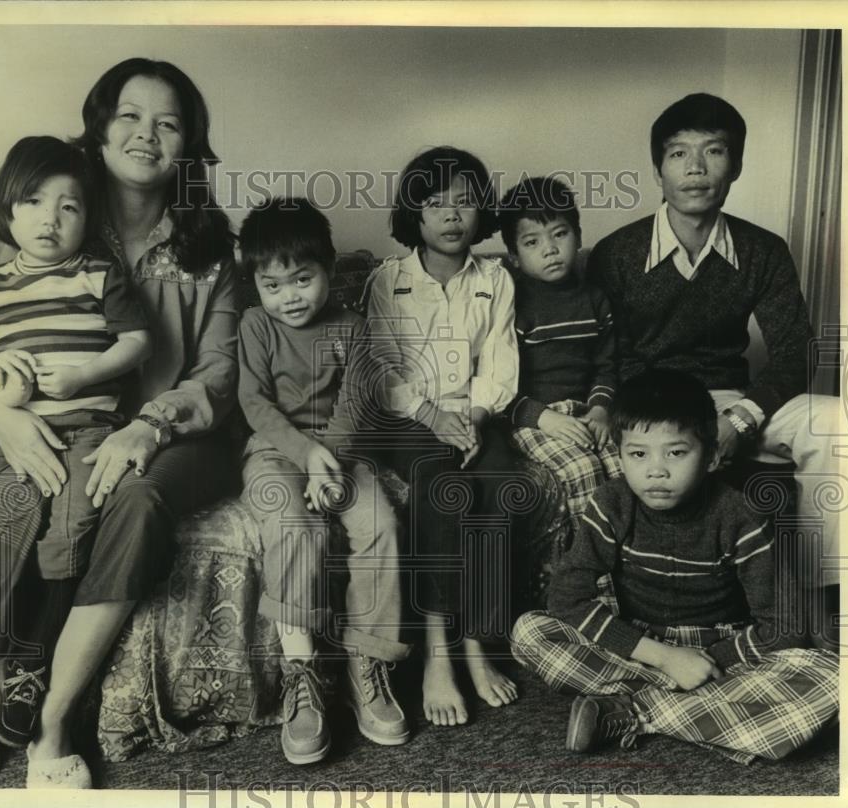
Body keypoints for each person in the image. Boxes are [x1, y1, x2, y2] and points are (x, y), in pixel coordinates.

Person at [0, 58, 239, 789]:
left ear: (189, 144)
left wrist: (148, 425)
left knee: (135, 495)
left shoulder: (213, 250)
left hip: (180, 434)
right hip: (55, 421)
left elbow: (218, 375)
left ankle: (53, 719)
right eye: (129, 114)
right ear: (99, 127)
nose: (146, 133)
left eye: (169, 121)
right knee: (10, 499)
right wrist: (3, 415)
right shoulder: (53, 220)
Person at [0, 135, 151, 787]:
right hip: (4, 434)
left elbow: (136, 340)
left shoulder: (100, 273)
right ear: (6, 210)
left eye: (69, 206)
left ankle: (31, 660)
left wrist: (86, 374)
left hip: (85, 429)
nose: (50, 218)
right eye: (33, 200)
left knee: (67, 529)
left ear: (88, 218)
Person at [587, 93, 840, 643]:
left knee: (839, 421)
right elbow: (615, 356)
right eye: (679, 154)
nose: (696, 169)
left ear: (737, 165)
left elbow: (796, 351)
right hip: (653, 405)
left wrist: (742, 418)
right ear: (658, 169)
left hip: (733, 400)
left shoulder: (763, 250)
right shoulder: (617, 253)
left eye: (714, 151)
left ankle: (823, 602)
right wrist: (683, 428)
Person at [511, 369, 839, 764]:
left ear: (713, 455)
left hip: (721, 647)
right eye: (638, 454)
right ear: (620, 455)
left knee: (834, 679)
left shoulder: (739, 516)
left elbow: (783, 627)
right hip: (641, 642)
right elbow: (566, 597)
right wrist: (667, 659)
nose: (656, 470)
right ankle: (690, 706)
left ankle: (637, 711)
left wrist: (709, 661)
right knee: (530, 632)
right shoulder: (611, 503)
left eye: (676, 452)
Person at [238, 197, 410, 764]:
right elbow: (255, 403)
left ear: (330, 271)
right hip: (275, 449)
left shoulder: (352, 327)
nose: (289, 296)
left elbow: (355, 403)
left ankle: (368, 665)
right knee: (295, 525)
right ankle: (302, 671)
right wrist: (305, 455)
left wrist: (328, 462)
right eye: (273, 284)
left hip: (343, 452)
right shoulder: (256, 326)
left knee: (380, 523)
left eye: (302, 279)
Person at [366, 146, 533, 727]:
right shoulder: (388, 281)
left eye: (464, 202)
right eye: (436, 204)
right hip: (410, 421)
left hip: (475, 415)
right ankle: (440, 648)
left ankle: (477, 644)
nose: (452, 215)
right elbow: (381, 369)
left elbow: (500, 361)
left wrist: (478, 417)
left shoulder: (496, 278)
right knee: (441, 487)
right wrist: (431, 415)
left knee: (504, 486)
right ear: (415, 216)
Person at [498, 175, 622, 525]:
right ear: (514, 257)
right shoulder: (511, 305)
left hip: (585, 411)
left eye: (560, 234)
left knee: (624, 464)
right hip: (532, 419)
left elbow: (606, 366)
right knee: (583, 469)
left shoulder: (595, 300)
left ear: (578, 238)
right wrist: (542, 417)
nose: (549, 249)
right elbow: (498, 384)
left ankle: (632, 565)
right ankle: (588, 572)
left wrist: (600, 410)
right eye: (532, 242)